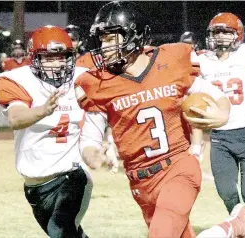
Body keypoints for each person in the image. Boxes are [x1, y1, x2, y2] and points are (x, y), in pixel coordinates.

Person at [74, 1, 231, 237]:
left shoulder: (171, 62)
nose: (103, 46)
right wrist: (93, 154)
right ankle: (236, 226)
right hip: (140, 181)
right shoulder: (99, 83)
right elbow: (90, 137)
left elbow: (217, 96)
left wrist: (222, 112)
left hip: (178, 167)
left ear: (134, 35)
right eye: (102, 39)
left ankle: (230, 228)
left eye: (110, 38)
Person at [0, 25, 106, 238]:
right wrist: (43, 110)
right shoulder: (17, 80)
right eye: (49, 58)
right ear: (34, 58)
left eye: (62, 57)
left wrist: (98, 144)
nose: (57, 63)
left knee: (60, 230)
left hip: (72, 175)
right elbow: (16, 118)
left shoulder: (84, 78)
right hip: (36, 184)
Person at [197, 12, 245, 217]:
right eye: (216, 32)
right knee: (227, 193)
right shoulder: (202, 60)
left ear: (237, 35)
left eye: (226, 32)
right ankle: (243, 227)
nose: (220, 36)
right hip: (219, 136)